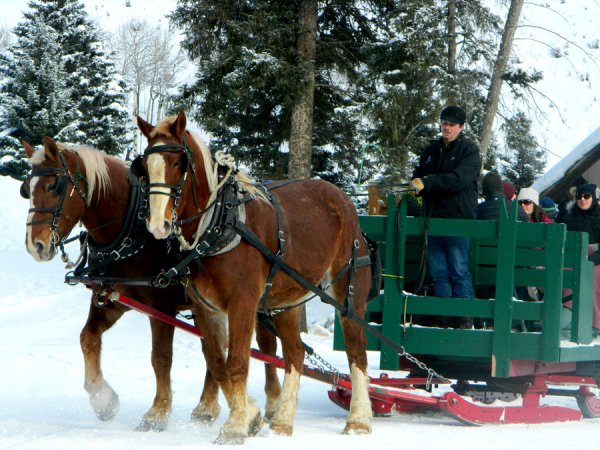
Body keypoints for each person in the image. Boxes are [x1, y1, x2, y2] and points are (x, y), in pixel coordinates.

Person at [410, 105, 481, 329]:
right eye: (444, 122)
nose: (446, 127)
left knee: (459, 270)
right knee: (439, 272)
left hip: (459, 220)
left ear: (461, 127)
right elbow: (419, 174)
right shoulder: (432, 149)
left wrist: (427, 183)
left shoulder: (469, 152)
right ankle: (442, 317)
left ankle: (463, 318)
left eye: (451, 124)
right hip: (433, 218)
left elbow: (458, 179)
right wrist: (416, 184)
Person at [560, 183, 600, 337]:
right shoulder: (569, 217)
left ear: (593, 198)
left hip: (595, 261)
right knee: (565, 275)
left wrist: (591, 259)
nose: (582, 200)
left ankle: (594, 322)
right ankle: (564, 313)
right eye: (579, 196)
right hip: (573, 259)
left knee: (591, 277)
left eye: (586, 196)